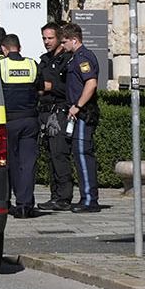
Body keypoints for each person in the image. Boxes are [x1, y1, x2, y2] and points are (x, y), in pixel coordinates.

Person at [60, 22, 104, 213]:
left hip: (84, 113)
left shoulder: (83, 57)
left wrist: (78, 106)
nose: (63, 45)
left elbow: (91, 83)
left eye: (64, 41)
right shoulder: (75, 57)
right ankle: (86, 197)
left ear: (74, 40)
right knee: (79, 155)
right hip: (78, 112)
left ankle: (89, 200)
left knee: (83, 155)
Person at [0, 34, 42, 218]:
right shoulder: (32, 64)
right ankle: (25, 205)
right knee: (28, 164)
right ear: (19, 47)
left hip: (8, 121)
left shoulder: (0, 65)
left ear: (4, 49)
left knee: (9, 164)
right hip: (30, 120)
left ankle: (8, 202)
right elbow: (40, 88)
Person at [37, 22, 75, 211]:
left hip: (60, 111)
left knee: (60, 154)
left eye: (50, 38)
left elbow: (72, 89)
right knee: (51, 156)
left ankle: (64, 197)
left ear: (59, 38)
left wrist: (52, 87)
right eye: (44, 38)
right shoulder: (44, 59)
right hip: (45, 111)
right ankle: (55, 196)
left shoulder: (68, 60)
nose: (46, 42)